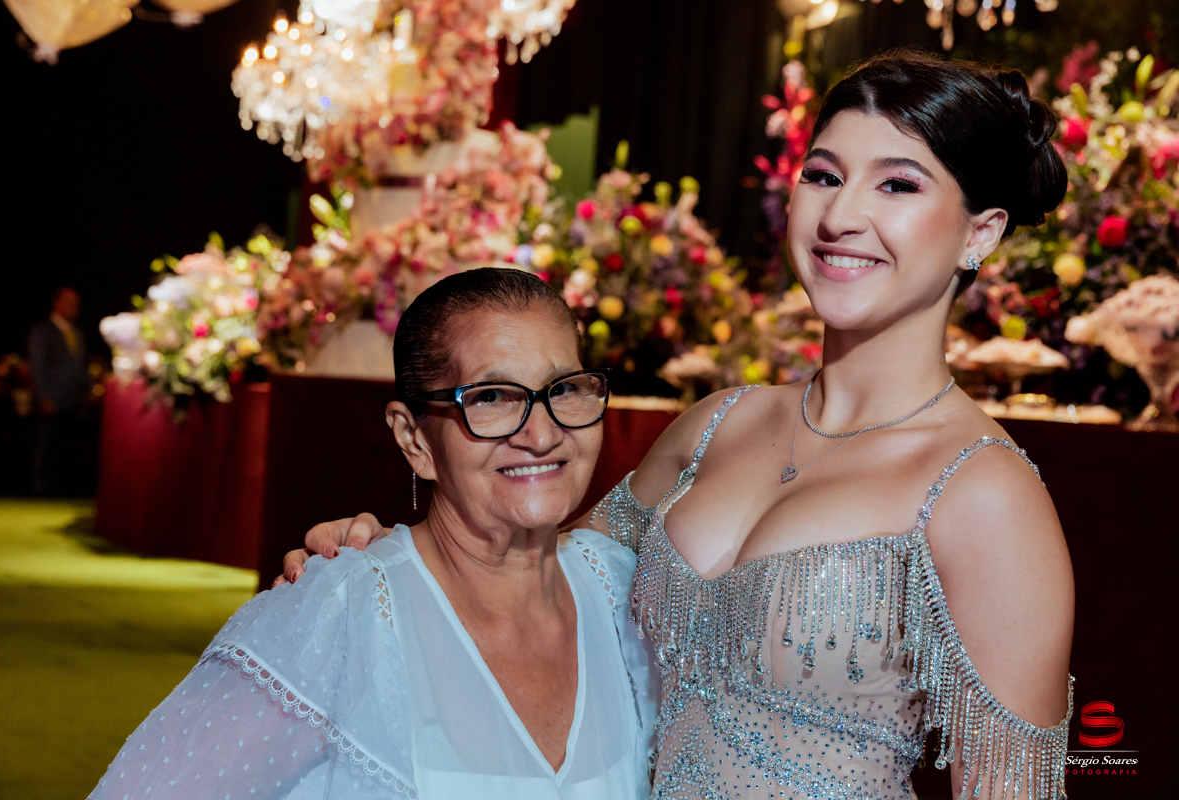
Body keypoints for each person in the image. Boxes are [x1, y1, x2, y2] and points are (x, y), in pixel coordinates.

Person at [285, 52, 1076, 799]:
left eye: (898, 185)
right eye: (824, 175)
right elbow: (532, 582)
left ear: (979, 232)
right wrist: (383, 566)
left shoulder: (983, 491)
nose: (842, 215)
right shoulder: (717, 426)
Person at [88, 268, 657, 799]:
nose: (542, 434)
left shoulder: (625, 593)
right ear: (414, 439)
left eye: (564, 389)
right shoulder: (341, 613)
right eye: (490, 398)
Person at [28, 285, 89, 495]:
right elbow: (37, 366)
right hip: (51, 400)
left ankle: (58, 488)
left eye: (76, 303)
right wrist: (44, 397)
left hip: (72, 400)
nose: (74, 307)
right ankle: (39, 489)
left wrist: (88, 389)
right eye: (69, 302)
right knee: (45, 446)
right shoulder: (43, 331)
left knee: (64, 447)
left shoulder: (77, 333)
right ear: (57, 303)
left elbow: (81, 366)